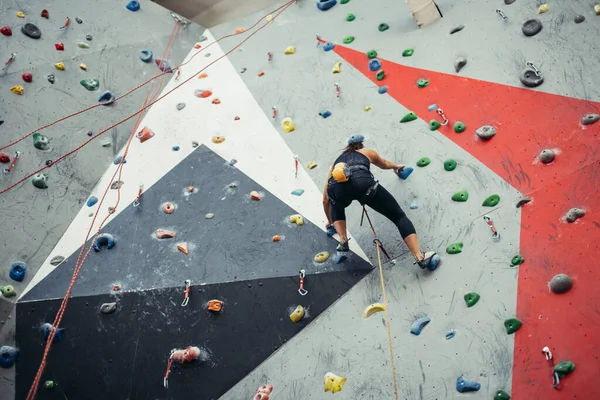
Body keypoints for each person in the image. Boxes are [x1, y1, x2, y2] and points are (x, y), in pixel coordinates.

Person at [322, 134, 438, 269]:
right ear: (360, 145)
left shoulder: (334, 165)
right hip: (364, 186)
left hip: (339, 191)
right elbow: (384, 164)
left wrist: (331, 223)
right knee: (398, 216)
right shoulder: (366, 153)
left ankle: (343, 240)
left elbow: (325, 200)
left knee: (335, 201)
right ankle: (420, 257)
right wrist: (397, 166)